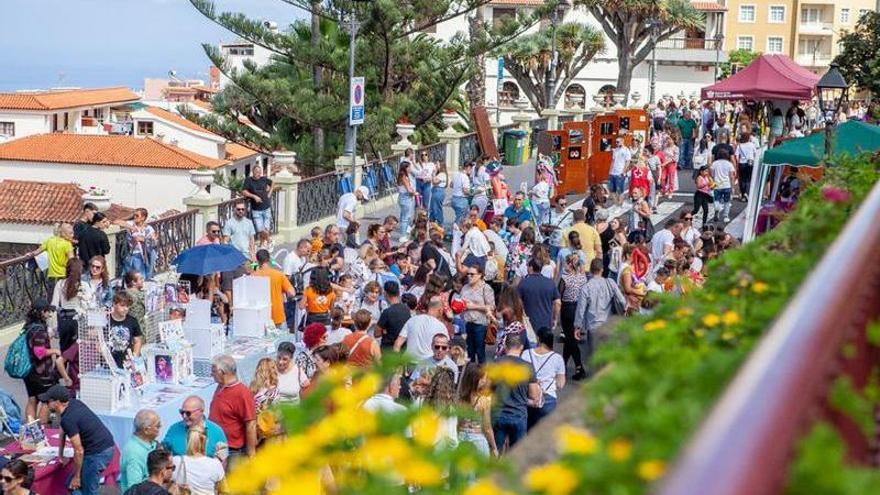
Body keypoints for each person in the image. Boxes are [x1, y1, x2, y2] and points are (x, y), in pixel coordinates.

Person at [40, 384, 115, 495]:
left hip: (97, 454)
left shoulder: (68, 418)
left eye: (48, 402)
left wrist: (77, 476)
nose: (46, 404)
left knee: (87, 490)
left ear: (57, 402)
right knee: (71, 485)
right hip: (104, 446)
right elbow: (62, 431)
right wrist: (60, 455)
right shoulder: (74, 403)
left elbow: (79, 451)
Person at [573, 259, 627, 370]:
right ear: (602, 269)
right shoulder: (610, 282)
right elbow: (622, 300)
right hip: (609, 325)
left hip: (593, 327)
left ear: (591, 270)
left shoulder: (586, 287)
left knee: (595, 358)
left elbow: (581, 309)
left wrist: (577, 326)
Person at [492, 334, 539, 452]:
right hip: (519, 415)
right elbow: (534, 395)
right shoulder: (527, 367)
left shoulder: (496, 363)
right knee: (517, 454)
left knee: (495, 451)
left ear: (505, 347)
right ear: (521, 347)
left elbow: (487, 388)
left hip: (499, 415)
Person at [209, 355, 257, 459]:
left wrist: (251, 454)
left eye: (213, 372)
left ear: (221, 372)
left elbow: (251, 424)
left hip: (232, 451)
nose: (211, 374)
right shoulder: (220, 386)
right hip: (215, 446)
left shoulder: (242, 393)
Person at [20, 299, 59, 425]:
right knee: (47, 402)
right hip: (41, 373)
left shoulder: (28, 327)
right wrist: (54, 351)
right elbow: (39, 352)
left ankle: (30, 432)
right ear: (42, 312)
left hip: (28, 371)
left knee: (32, 400)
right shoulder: (39, 330)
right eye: (48, 311)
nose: (49, 314)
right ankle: (40, 432)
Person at [521, 328, 565, 428]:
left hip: (529, 397)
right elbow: (561, 384)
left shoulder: (526, 354)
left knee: (528, 431)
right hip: (548, 397)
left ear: (538, 338)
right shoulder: (557, 358)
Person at [163, 396, 228, 459]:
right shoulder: (174, 429)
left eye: (188, 413)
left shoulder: (216, 431)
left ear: (201, 411)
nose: (184, 416)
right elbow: (162, 453)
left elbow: (222, 460)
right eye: (182, 412)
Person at [558, 253, 588, 380]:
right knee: (570, 338)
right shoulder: (583, 278)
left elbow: (559, 294)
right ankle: (563, 366)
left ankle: (580, 367)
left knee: (571, 340)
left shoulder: (565, 279)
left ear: (570, 264)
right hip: (579, 308)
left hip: (567, 309)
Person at [457, 363, 497, 457]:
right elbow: (487, 428)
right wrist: (494, 447)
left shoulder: (459, 399)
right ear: (475, 380)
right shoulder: (485, 400)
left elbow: (457, 423)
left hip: (461, 439)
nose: (485, 380)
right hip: (477, 440)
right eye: (483, 378)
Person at [171, 426, 225, 495]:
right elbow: (224, 491)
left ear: (187, 440)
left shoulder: (175, 461)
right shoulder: (215, 464)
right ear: (206, 441)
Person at [253, 249, 296, 330]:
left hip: (261, 317)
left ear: (258, 260)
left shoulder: (253, 276)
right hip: (278, 316)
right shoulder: (279, 274)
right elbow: (292, 293)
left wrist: (254, 262)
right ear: (269, 259)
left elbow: (253, 270)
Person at [460, 264, 495, 363]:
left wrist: (473, 306)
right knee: (469, 352)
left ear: (480, 275)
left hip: (480, 324)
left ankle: (481, 375)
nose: (469, 276)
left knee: (480, 352)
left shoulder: (485, 288)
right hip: (466, 323)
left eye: (472, 274)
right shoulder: (465, 288)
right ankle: (470, 375)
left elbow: (491, 307)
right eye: (468, 274)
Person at [120, 410, 161, 492]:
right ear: (146, 430)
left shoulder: (151, 443)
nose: (160, 428)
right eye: (158, 426)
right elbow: (135, 490)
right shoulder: (134, 454)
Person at [30, 222, 74, 297]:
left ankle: (51, 308)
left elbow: (36, 252)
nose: (72, 235)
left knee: (52, 296)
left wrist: (29, 254)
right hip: (63, 274)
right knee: (62, 296)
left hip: (52, 274)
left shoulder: (49, 241)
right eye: (71, 233)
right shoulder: (67, 244)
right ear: (63, 233)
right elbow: (72, 260)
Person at [517, 258, 560, 333]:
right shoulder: (550, 283)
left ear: (531, 267)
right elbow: (558, 303)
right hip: (546, 323)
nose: (526, 268)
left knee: (530, 343)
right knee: (545, 344)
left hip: (528, 323)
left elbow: (518, 303)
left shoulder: (523, 283)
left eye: (527, 266)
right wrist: (555, 318)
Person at [240, 165, 274, 250]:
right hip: (256, 210)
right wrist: (254, 196)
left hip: (266, 207)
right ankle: (269, 240)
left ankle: (263, 244)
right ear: (253, 172)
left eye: (259, 172)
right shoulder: (249, 180)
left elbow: (273, 183)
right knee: (260, 229)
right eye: (256, 172)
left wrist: (269, 193)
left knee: (266, 229)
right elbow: (244, 191)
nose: (258, 174)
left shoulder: (264, 179)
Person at [107, 291, 143, 368]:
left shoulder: (132, 321)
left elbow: (138, 341)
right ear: (114, 304)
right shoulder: (106, 320)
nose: (125, 309)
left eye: (127, 306)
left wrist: (134, 357)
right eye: (122, 306)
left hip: (126, 363)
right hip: (108, 363)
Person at [122, 208, 158, 280]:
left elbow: (154, 242)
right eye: (134, 215)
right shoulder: (131, 224)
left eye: (137, 215)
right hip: (134, 253)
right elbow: (117, 221)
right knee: (138, 277)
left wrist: (143, 239)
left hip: (146, 255)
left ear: (143, 218)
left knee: (145, 276)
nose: (134, 217)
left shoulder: (148, 228)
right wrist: (131, 226)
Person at [375, 281, 411, 349]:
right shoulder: (406, 309)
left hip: (388, 350)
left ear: (385, 293)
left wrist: (384, 331)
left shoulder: (387, 312)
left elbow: (376, 333)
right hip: (403, 348)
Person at [711, 148, 737, 223]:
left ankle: (717, 209)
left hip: (717, 185)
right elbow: (731, 176)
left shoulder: (715, 163)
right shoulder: (729, 164)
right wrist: (733, 187)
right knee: (727, 201)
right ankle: (726, 216)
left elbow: (712, 174)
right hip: (727, 185)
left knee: (716, 200)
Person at [608, 137, 632, 206]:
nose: (616, 143)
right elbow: (613, 161)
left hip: (620, 173)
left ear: (622, 141)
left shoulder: (626, 150)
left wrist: (623, 171)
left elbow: (628, 161)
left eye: (618, 142)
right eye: (616, 142)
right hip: (613, 172)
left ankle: (620, 205)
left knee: (620, 191)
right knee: (612, 190)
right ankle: (617, 205)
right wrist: (610, 171)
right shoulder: (615, 150)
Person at [735, 132, 757, 202]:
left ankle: (743, 193)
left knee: (742, 179)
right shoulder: (752, 145)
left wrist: (737, 163)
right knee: (748, 179)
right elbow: (755, 153)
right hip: (750, 162)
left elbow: (737, 155)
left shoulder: (740, 145)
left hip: (742, 163)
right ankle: (746, 193)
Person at [450, 161, 473, 225]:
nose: (471, 171)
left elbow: (451, 185)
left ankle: (455, 232)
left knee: (459, 217)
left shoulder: (456, 174)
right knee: (460, 220)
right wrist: (474, 191)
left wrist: (457, 187)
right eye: (471, 169)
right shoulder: (465, 177)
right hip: (461, 200)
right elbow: (465, 191)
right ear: (468, 168)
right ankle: (451, 233)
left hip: (454, 198)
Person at [429, 160, 448, 225]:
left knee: (436, 209)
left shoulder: (442, 174)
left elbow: (434, 182)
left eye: (437, 164)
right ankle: (432, 223)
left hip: (438, 191)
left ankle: (440, 224)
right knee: (433, 208)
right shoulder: (439, 174)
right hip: (436, 191)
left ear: (441, 165)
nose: (436, 165)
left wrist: (434, 174)